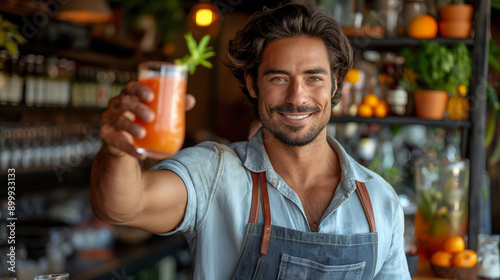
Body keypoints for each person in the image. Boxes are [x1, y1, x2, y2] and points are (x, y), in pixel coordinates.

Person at [90, 2, 411, 279]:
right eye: (279, 78)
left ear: (335, 85)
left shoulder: (380, 201)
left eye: (314, 78)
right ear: (252, 84)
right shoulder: (213, 174)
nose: (297, 97)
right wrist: (118, 151)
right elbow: (121, 208)